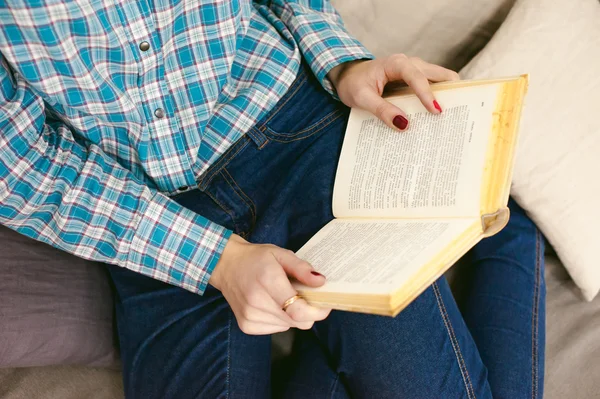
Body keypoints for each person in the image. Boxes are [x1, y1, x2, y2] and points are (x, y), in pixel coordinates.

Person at [0, 1, 545, 398]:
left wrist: (344, 63)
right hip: (145, 215)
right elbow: (19, 167)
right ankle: (509, 234)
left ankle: (500, 231)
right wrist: (216, 259)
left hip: (296, 135)